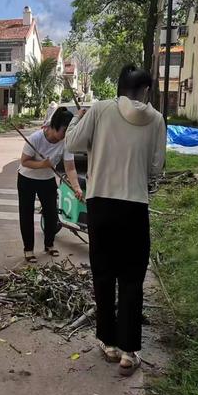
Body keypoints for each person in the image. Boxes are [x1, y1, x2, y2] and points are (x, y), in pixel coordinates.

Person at [65, 65, 166, 376]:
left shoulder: (101, 109)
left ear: (119, 88)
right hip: (134, 206)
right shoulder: (157, 120)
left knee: (104, 274)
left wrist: (81, 117)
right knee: (132, 279)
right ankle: (129, 351)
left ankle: (107, 343)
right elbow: (156, 168)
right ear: (146, 92)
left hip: (101, 205)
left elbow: (71, 143)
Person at [18, 107, 84, 263]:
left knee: (52, 213)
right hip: (26, 178)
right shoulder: (36, 138)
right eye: (64, 130)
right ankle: (28, 249)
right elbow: (24, 161)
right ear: (54, 126)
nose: (66, 134)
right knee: (26, 214)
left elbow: (70, 167)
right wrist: (42, 164)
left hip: (47, 180)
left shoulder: (66, 142)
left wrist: (76, 187)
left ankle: (49, 244)